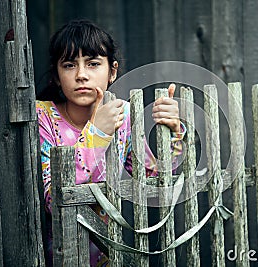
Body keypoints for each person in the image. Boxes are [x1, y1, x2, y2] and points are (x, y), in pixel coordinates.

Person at [36, 19, 185, 266]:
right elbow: (54, 200)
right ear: (56, 74)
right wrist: (97, 133)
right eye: (69, 65)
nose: (81, 75)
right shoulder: (42, 117)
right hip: (53, 257)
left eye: (93, 64)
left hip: (106, 255)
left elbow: (156, 176)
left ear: (112, 71)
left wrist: (174, 132)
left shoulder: (123, 116)